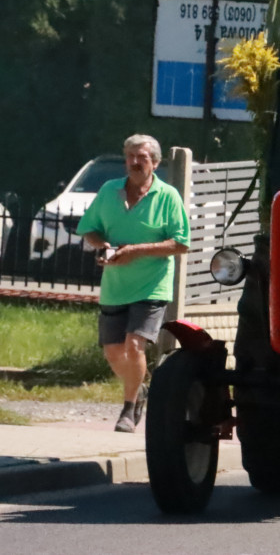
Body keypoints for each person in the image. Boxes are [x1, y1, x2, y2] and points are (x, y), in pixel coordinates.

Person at [76, 135, 190, 433]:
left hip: (152, 286)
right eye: (130, 157)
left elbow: (180, 243)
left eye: (142, 157)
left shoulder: (168, 197)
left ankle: (128, 411)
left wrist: (135, 251)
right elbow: (90, 230)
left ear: (155, 162)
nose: (136, 162)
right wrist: (104, 248)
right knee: (113, 352)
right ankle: (138, 389)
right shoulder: (109, 190)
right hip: (115, 285)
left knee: (134, 345)